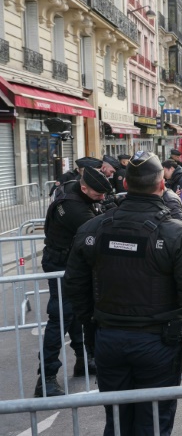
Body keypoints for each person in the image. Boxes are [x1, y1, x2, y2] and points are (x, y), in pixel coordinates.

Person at [64, 151, 182, 436]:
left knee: (117, 421)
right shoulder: (178, 234)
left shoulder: (93, 228)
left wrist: (91, 330)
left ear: (125, 185)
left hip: (111, 338)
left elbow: (75, 287)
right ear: (162, 185)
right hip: (156, 343)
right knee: (152, 423)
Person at [35, 167, 112, 397]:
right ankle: (46, 378)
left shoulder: (74, 190)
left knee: (78, 313)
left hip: (71, 262)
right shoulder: (74, 208)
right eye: (99, 195)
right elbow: (99, 230)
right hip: (61, 264)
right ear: (85, 187)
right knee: (60, 316)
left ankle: (83, 360)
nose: (103, 198)